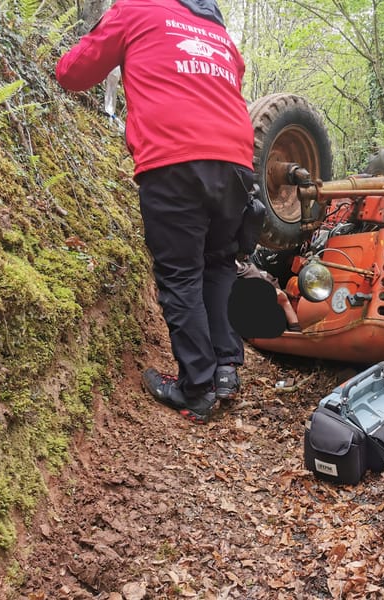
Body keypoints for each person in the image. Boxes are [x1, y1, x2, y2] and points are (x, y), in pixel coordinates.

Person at [56, 0, 255, 424]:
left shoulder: (135, 10)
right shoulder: (218, 33)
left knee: (180, 274)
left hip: (173, 158)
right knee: (219, 263)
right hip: (237, 162)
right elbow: (233, 78)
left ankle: (196, 389)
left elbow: (73, 73)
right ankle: (224, 369)